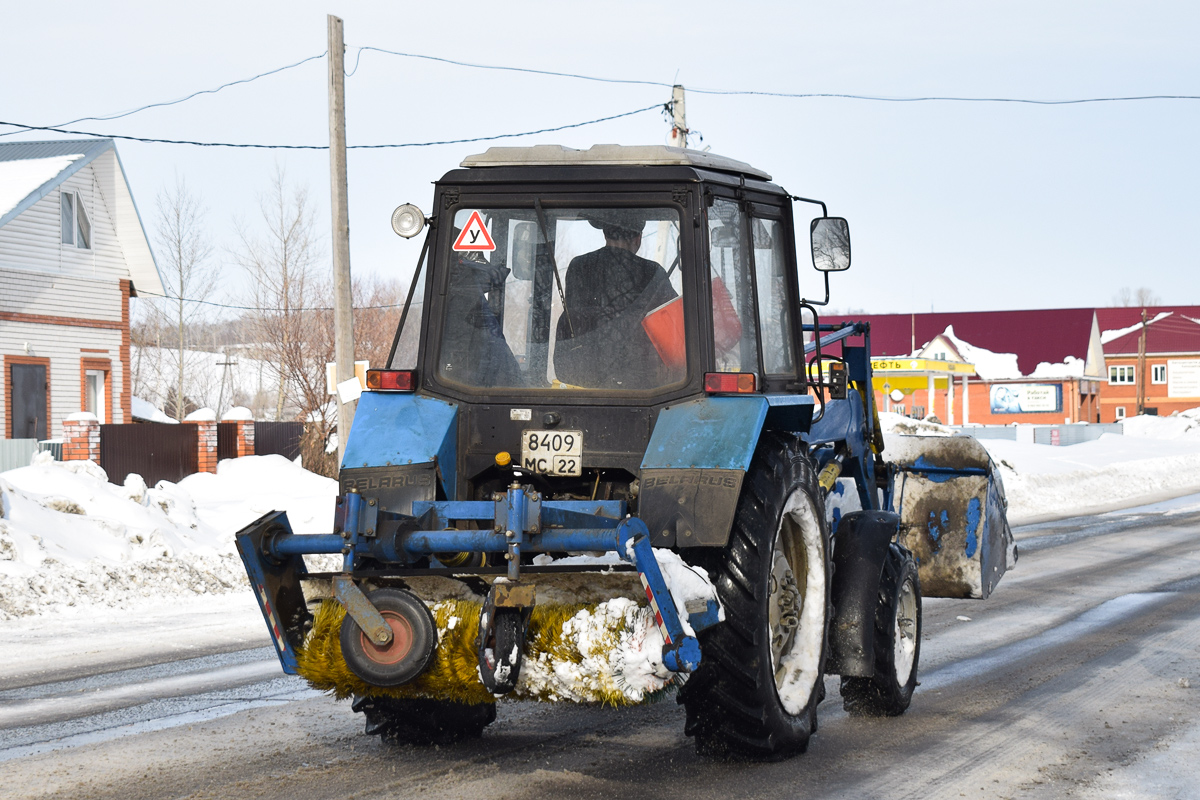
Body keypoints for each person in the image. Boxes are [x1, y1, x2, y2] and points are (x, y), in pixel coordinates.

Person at [554, 212, 679, 389]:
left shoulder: (579, 266)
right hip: (641, 384)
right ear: (638, 238)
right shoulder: (652, 272)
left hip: (585, 376)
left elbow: (575, 320)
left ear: (605, 234)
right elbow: (671, 328)